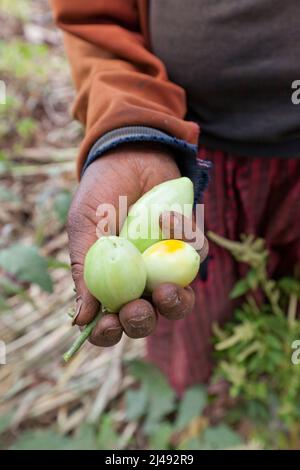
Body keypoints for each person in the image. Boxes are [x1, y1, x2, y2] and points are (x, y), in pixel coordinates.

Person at [50, 0, 300, 394]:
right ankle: (207, 401)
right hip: (191, 147)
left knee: (287, 303)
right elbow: (95, 20)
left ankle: (275, 387)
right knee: (199, 318)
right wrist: (130, 128)